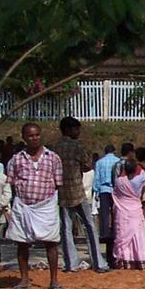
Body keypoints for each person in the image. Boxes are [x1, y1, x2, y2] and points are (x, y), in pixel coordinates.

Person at [6, 123, 64, 289]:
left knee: (51, 243)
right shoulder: (16, 159)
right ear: (24, 137)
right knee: (22, 243)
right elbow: (11, 182)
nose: (34, 138)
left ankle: (54, 281)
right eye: (30, 136)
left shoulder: (53, 158)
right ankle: (24, 279)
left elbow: (58, 183)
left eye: (37, 135)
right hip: (23, 205)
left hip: (46, 206)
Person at [49, 117, 108, 273]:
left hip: (62, 192)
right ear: (69, 129)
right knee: (89, 226)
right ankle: (98, 263)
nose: (78, 132)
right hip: (77, 191)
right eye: (76, 129)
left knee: (66, 228)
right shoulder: (77, 146)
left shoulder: (54, 148)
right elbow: (87, 165)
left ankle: (71, 264)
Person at [110, 156, 145, 270]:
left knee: (123, 236)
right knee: (138, 236)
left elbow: (118, 185)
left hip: (122, 212)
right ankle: (139, 261)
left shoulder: (119, 181)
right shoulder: (138, 179)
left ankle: (123, 261)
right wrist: (141, 163)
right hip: (135, 211)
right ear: (135, 169)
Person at [93, 144, 120, 267]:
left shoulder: (99, 162)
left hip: (104, 189)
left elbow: (97, 177)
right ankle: (115, 230)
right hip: (114, 189)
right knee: (115, 213)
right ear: (114, 151)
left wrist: (96, 191)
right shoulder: (117, 161)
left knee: (104, 213)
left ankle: (104, 232)